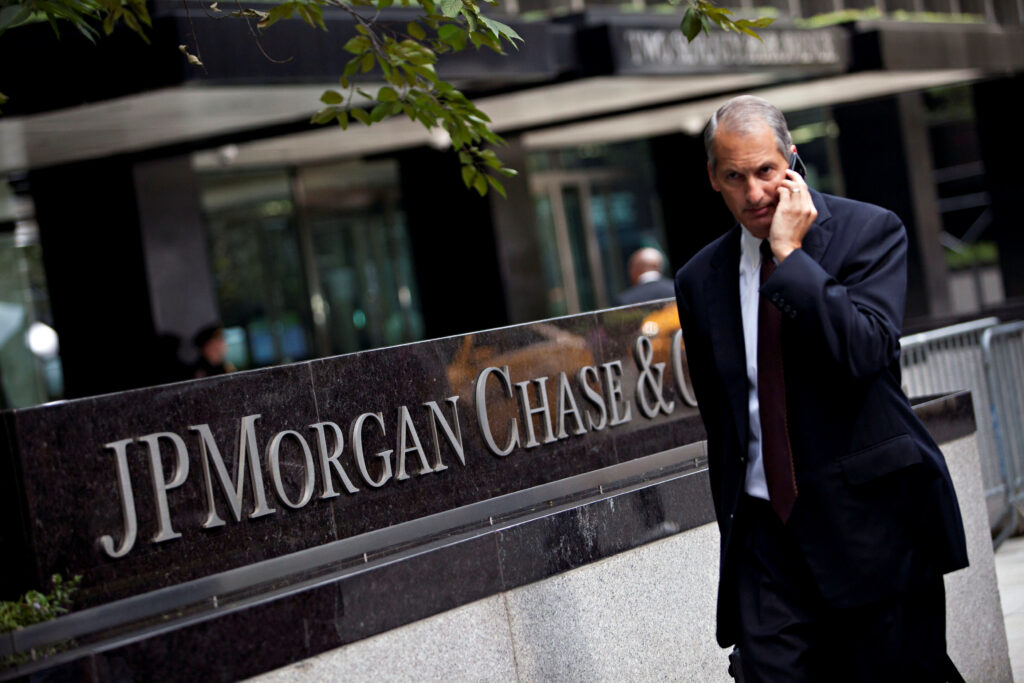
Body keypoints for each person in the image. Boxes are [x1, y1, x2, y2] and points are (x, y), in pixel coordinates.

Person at [673, 96, 968, 682]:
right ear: (714, 179)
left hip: (872, 530)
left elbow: (866, 352)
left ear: (792, 160)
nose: (754, 193)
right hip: (766, 540)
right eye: (735, 177)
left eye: (765, 170)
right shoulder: (699, 279)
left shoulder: (869, 232)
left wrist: (789, 255)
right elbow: (725, 422)